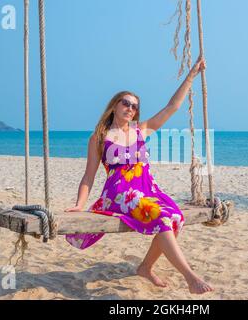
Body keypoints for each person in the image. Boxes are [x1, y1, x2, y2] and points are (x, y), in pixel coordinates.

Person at [64, 56, 213, 294]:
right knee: (162, 217)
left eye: (134, 106)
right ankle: (190, 276)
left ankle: (145, 267)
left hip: (148, 190)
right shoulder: (99, 138)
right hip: (120, 193)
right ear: (114, 105)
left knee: (175, 217)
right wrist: (79, 205)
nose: (130, 109)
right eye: (126, 103)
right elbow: (88, 176)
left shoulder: (141, 130)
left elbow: (172, 107)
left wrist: (192, 74)